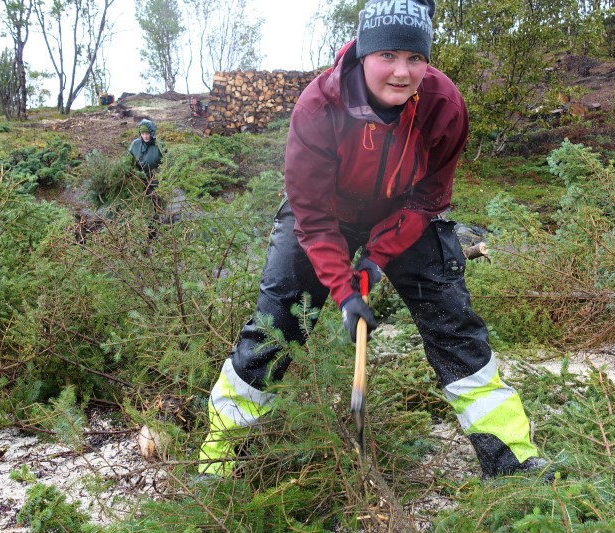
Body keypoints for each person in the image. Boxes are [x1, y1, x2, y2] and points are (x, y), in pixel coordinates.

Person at [198, 0, 551, 481]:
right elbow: (313, 216)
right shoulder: (318, 106)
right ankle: (218, 457)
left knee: (454, 327)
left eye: (416, 58)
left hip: (403, 213)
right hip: (325, 218)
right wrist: (345, 292)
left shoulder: (444, 105)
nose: (402, 73)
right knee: (275, 324)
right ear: (363, 52)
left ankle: (513, 463)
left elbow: (429, 197)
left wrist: (377, 258)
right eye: (388, 55)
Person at [128, 119, 164, 212]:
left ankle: (156, 215)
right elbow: (129, 160)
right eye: (143, 133)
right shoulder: (135, 144)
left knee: (155, 198)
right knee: (141, 199)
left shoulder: (159, 145)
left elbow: (166, 162)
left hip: (155, 177)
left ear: (152, 133)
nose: (145, 136)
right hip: (139, 177)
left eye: (147, 133)